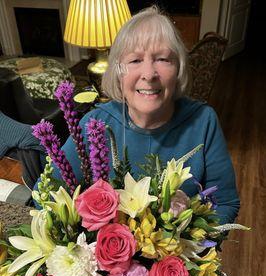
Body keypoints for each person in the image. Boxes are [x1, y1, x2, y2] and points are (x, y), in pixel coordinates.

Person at [37, 6, 240, 224]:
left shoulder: (203, 121)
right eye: (135, 60)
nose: (149, 74)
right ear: (118, 72)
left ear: (178, 69)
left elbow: (226, 203)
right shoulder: (96, 124)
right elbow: (46, 196)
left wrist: (186, 237)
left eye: (162, 59)